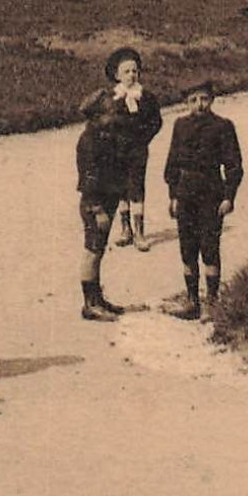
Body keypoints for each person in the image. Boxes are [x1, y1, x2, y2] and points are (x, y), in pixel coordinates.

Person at [162, 80, 244, 322]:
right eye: (193, 100)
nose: (199, 105)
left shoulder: (223, 127)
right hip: (186, 193)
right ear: (186, 103)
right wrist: (173, 196)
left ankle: (212, 301)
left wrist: (229, 196)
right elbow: (172, 165)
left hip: (211, 193)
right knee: (187, 248)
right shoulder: (180, 125)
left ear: (212, 100)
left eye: (204, 99)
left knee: (209, 247)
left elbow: (234, 166)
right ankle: (191, 300)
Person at [81, 47, 163, 251]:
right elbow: (97, 119)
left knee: (136, 188)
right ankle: (125, 229)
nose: (131, 75)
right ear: (116, 75)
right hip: (115, 152)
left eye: (135, 71)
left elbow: (156, 122)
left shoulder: (146, 97)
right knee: (121, 189)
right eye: (126, 71)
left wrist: (143, 138)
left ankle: (139, 232)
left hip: (137, 151)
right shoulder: (111, 98)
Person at [73, 93, 127, 322]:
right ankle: (90, 304)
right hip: (95, 203)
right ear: (96, 117)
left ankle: (97, 298)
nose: (113, 116)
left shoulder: (105, 136)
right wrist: (98, 210)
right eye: (109, 113)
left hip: (107, 199)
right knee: (92, 252)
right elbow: (89, 180)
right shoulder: (89, 141)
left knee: (99, 250)